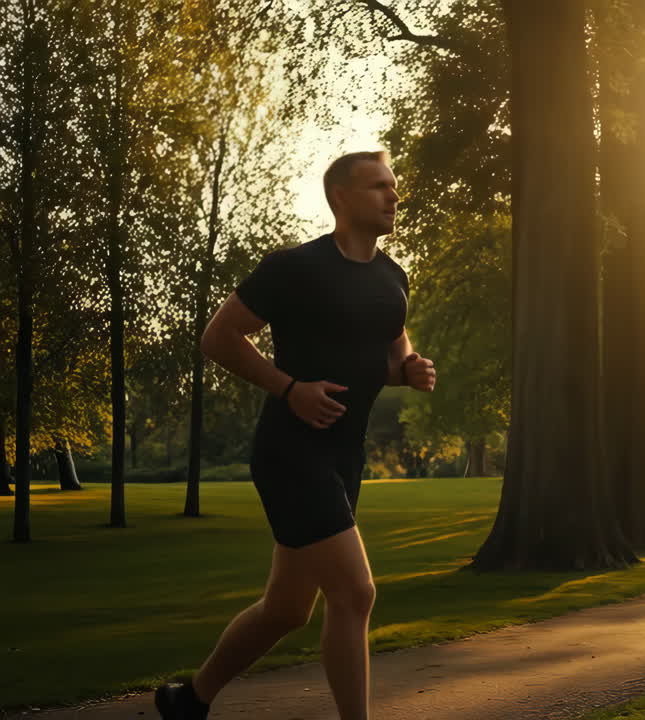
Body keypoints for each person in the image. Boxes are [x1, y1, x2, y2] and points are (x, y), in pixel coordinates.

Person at [154, 150, 436, 720]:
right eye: (379, 186)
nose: (393, 197)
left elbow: (392, 343)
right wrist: (289, 389)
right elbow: (219, 336)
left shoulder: (392, 276)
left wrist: (408, 367)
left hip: (344, 455)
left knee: (286, 610)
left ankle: (190, 701)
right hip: (291, 452)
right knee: (355, 593)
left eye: (394, 187)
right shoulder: (294, 267)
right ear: (341, 197)